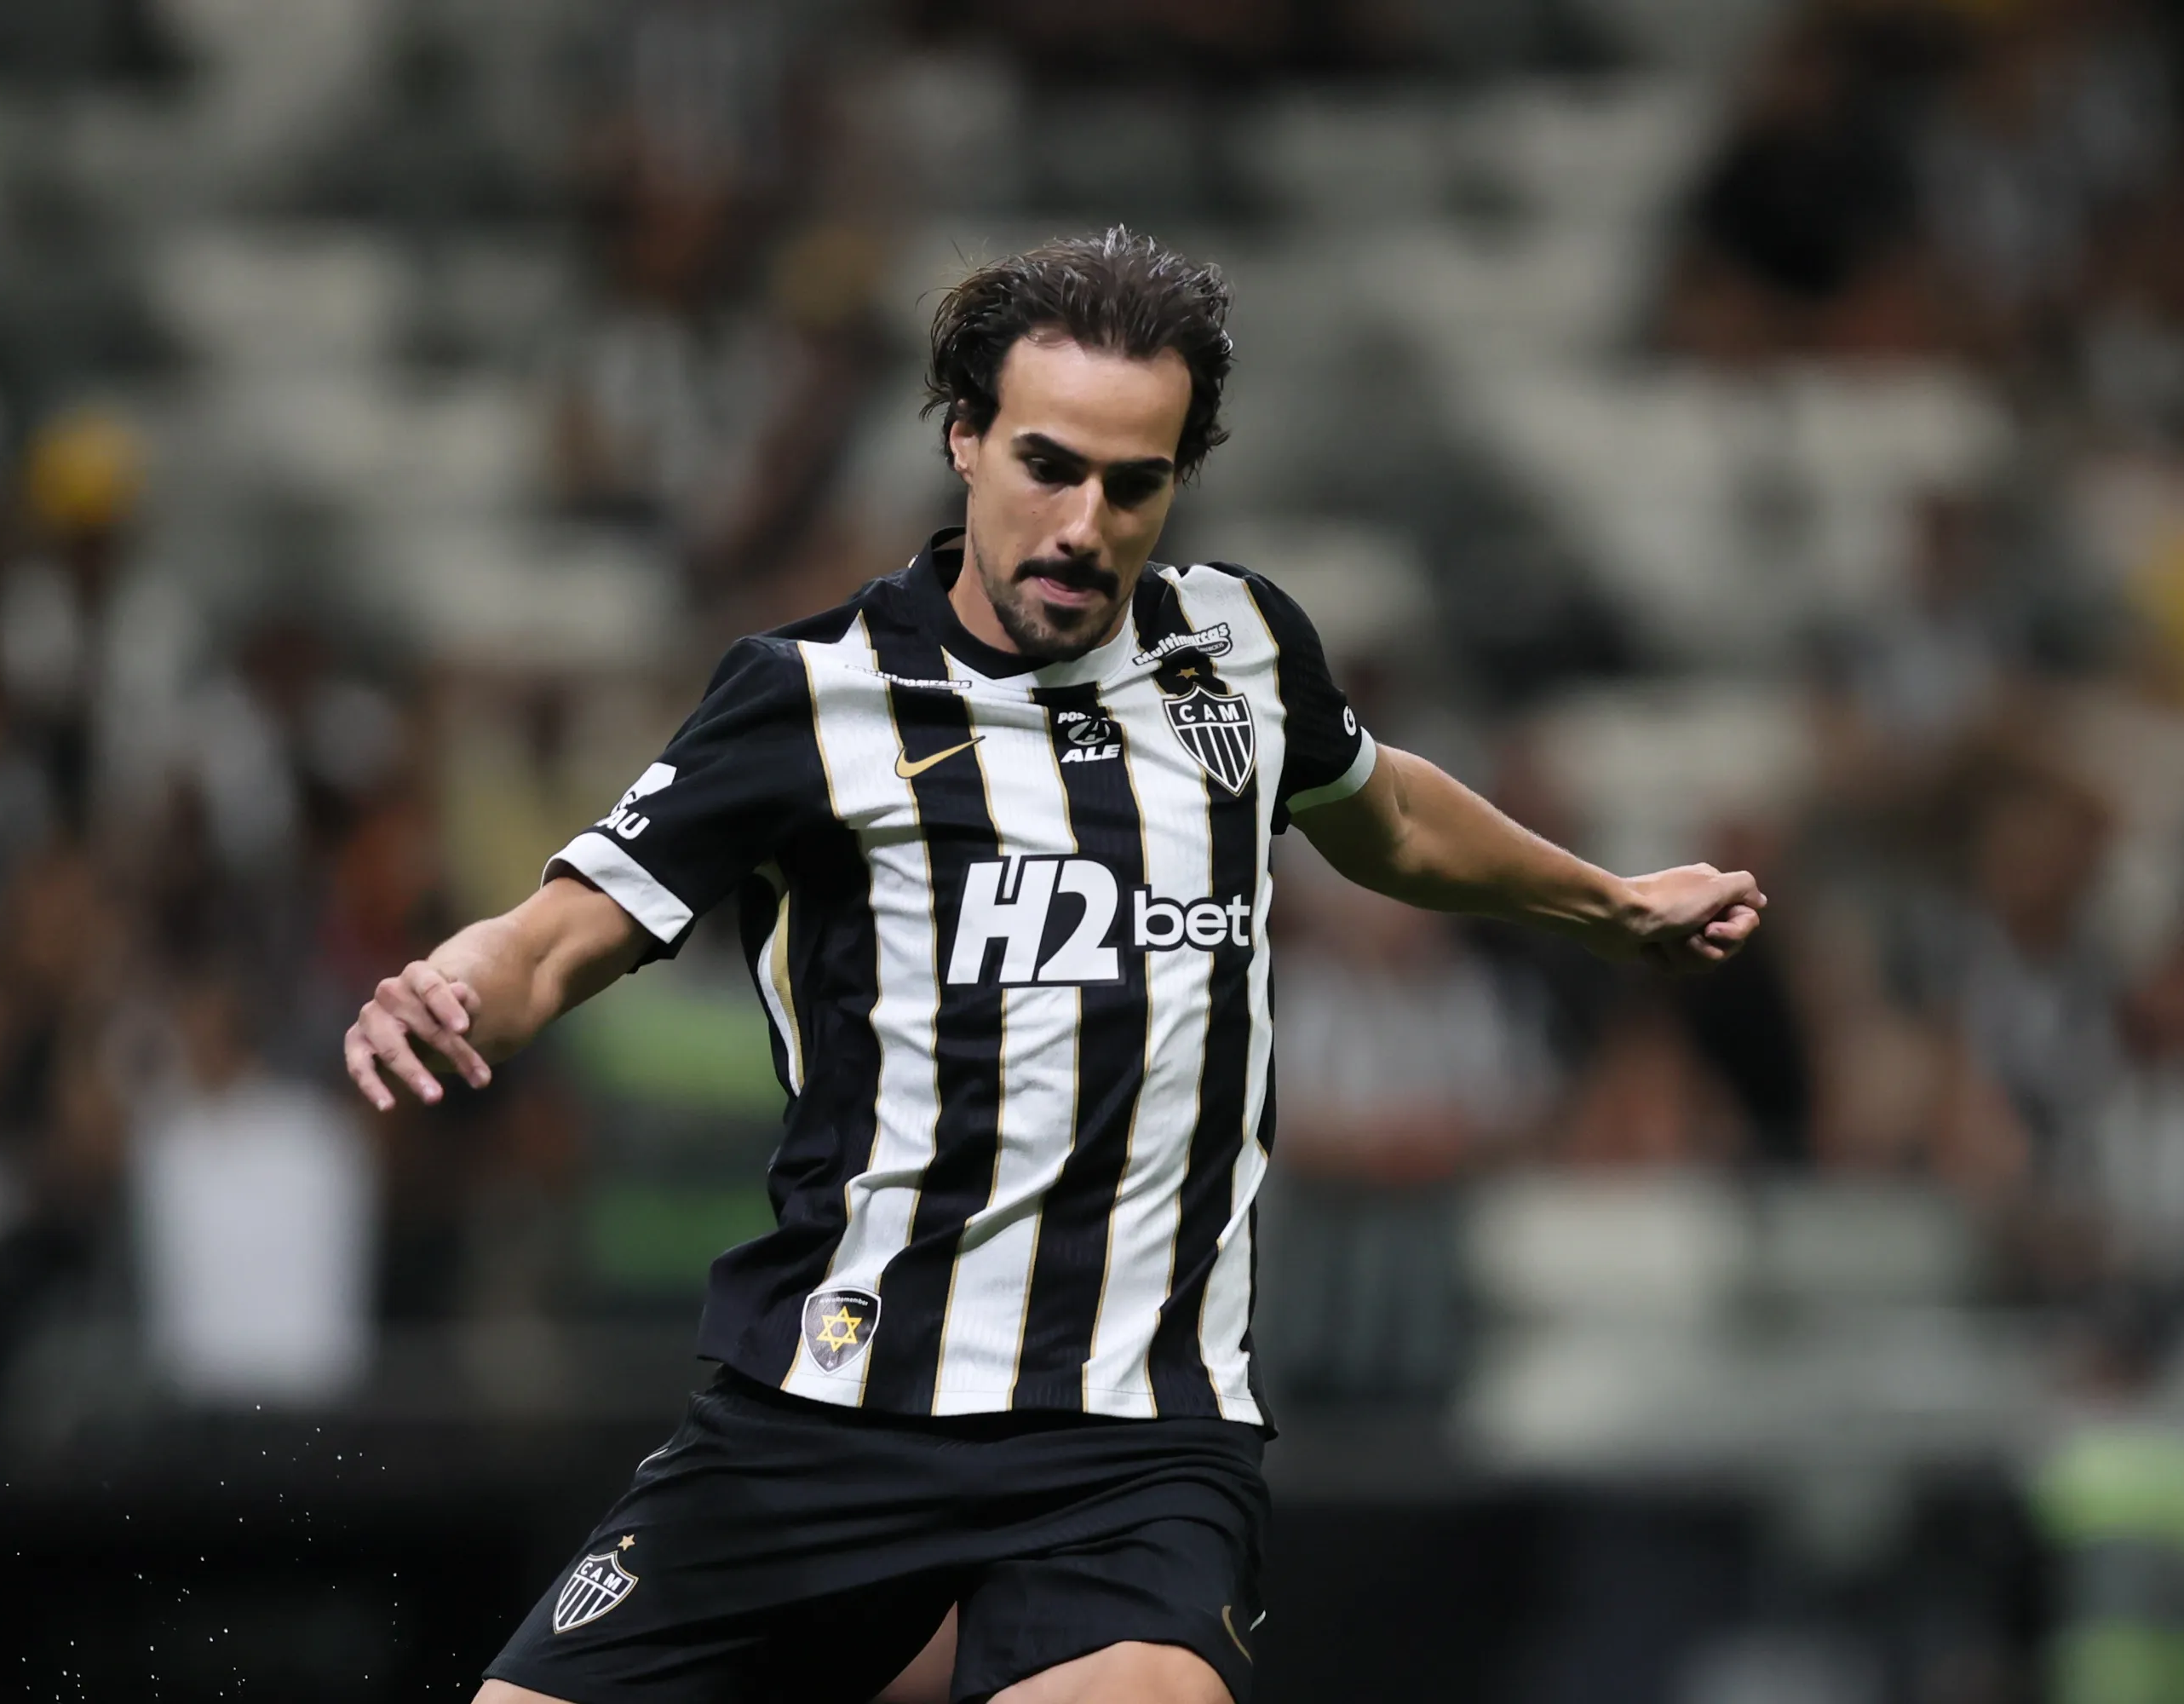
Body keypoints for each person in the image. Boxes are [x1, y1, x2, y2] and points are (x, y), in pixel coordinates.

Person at [344, 228, 1767, 1704]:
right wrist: (456, 990)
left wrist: (1606, 904)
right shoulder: (810, 700)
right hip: (829, 1409)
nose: (1086, 524)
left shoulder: (1241, 650)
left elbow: (1387, 814)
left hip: (1131, 1442)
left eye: (1134, 484)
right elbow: (560, 932)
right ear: (964, 439)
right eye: (1048, 466)